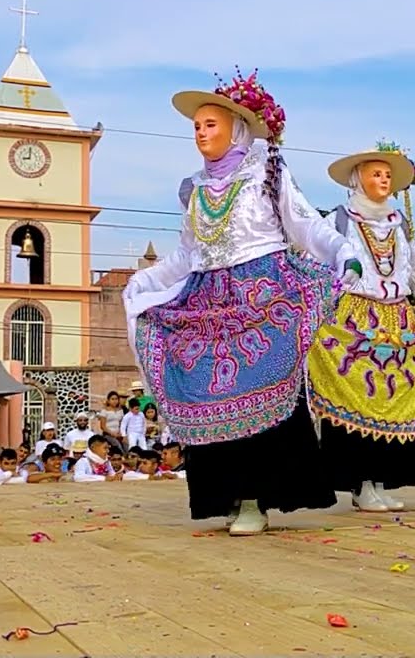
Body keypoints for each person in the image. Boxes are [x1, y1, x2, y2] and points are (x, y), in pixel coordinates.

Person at [122, 69, 360, 536]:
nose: (200, 133)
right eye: (196, 126)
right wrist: (147, 280)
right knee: (207, 391)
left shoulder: (266, 174)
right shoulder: (195, 190)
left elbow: (305, 224)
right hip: (207, 297)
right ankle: (226, 496)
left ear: (235, 128)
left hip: (265, 294)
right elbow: (187, 254)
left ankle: (255, 498)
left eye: (210, 124)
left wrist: (343, 252)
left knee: (258, 387)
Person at [306, 141, 415, 512]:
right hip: (354, 322)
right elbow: (314, 260)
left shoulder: (398, 224)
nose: (384, 180)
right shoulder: (339, 221)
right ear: (358, 179)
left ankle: (380, 481)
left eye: (388, 175)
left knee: (392, 397)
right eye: (376, 173)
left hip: (398, 320)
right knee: (359, 398)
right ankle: (361, 484)